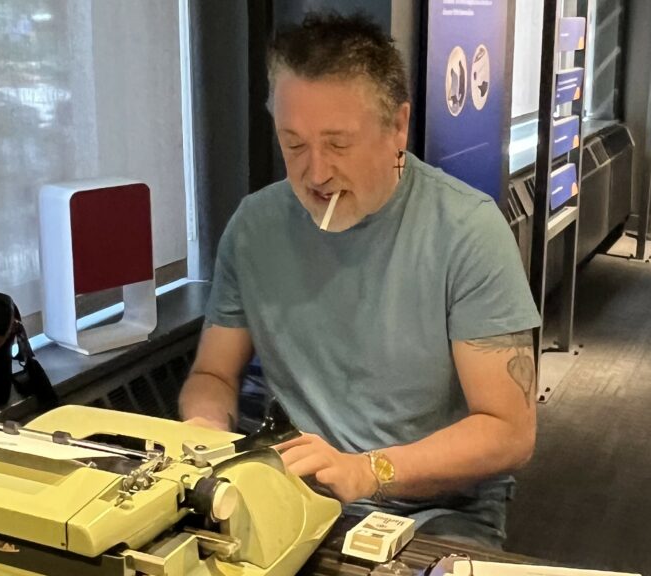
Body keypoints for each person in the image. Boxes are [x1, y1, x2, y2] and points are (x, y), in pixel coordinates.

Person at [178, 11, 540, 549]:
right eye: (294, 144)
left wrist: (369, 471)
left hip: (436, 505)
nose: (316, 173)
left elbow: (509, 431)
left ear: (398, 127)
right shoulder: (255, 226)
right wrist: (205, 429)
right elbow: (213, 373)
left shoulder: (465, 228)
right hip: (298, 491)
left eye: (338, 144)